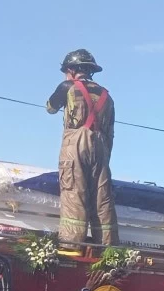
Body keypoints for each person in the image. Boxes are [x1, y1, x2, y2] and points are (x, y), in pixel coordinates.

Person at [46, 50, 118, 246]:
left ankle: (72, 245)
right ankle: (106, 247)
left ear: (71, 70)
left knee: (73, 191)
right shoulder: (106, 96)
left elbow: (50, 107)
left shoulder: (67, 87)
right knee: (101, 196)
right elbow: (111, 131)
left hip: (75, 142)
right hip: (101, 146)